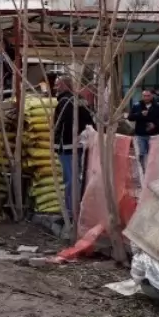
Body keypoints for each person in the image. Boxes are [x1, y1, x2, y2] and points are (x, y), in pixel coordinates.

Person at [53, 76, 93, 218]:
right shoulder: (80, 99)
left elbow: (64, 125)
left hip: (67, 146)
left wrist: (57, 142)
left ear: (64, 85)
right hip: (78, 145)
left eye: (57, 85)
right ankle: (78, 206)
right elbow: (89, 120)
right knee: (78, 177)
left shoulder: (65, 102)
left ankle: (71, 210)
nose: (55, 88)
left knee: (71, 179)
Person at [128, 88, 159, 171]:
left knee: (153, 154)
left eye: (148, 96)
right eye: (144, 96)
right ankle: (143, 170)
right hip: (140, 134)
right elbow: (130, 117)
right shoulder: (137, 105)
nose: (146, 98)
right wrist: (140, 114)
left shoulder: (158, 106)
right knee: (142, 153)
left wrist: (155, 124)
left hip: (154, 135)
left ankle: (152, 171)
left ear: (152, 96)